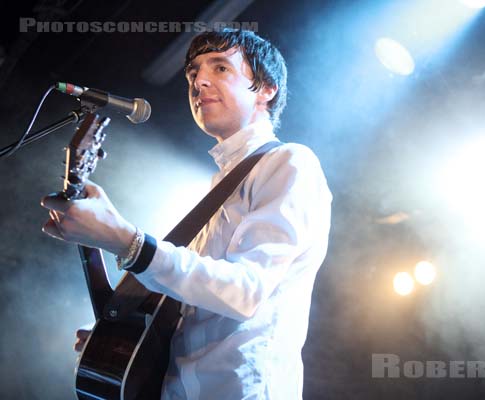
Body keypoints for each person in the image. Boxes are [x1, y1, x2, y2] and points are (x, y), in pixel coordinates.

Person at [41, 29, 332, 399]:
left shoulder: (290, 163)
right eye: (193, 72)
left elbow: (245, 292)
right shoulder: (219, 188)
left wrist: (123, 239)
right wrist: (123, 336)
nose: (199, 81)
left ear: (266, 88)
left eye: (221, 68)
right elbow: (194, 302)